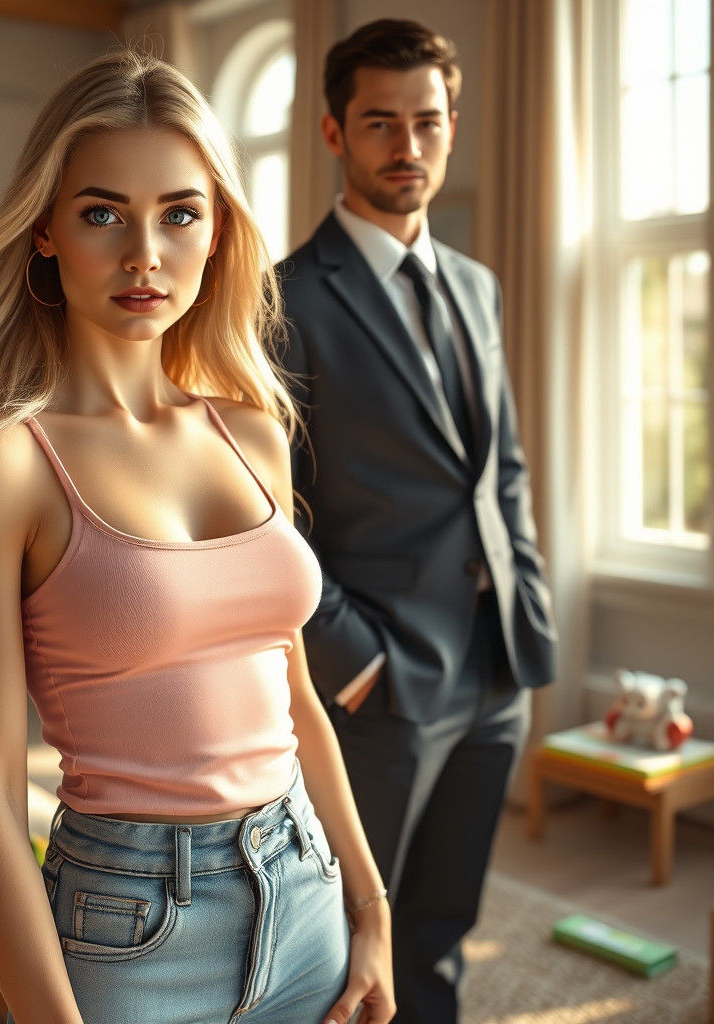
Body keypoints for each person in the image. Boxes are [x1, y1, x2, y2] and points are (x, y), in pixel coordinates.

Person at [0, 49, 395, 1024]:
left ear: (218, 231)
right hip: (130, 928)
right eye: (103, 213)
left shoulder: (250, 429)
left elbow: (295, 700)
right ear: (45, 234)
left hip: (304, 884)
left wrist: (369, 903)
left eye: (179, 213)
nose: (144, 252)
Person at [277, 19, 558, 1024]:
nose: (408, 147)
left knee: (440, 936)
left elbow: (502, 472)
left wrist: (527, 597)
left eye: (427, 122)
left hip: (493, 670)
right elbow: (269, 518)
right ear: (332, 132)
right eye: (380, 123)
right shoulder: (284, 303)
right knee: (345, 945)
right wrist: (354, 662)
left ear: (451, 125)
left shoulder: (476, 286)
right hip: (378, 688)